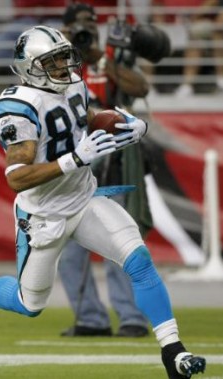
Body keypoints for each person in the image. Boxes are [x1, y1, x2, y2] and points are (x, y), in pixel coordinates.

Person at [0, 25, 206, 379]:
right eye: (53, 62)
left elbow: (85, 116)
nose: (64, 67)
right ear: (30, 67)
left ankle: (173, 352)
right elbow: (15, 177)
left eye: (65, 57)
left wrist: (128, 124)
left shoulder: (71, 85)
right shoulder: (18, 107)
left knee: (139, 260)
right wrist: (73, 159)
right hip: (44, 214)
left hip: (83, 199)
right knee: (29, 303)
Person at [57, 2, 151, 338]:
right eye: (78, 25)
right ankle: (90, 318)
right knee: (69, 247)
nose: (86, 29)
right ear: (65, 29)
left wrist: (99, 57)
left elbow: (140, 88)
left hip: (115, 159)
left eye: (90, 23)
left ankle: (132, 318)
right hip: (75, 164)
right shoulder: (55, 63)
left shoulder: (111, 55)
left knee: (119, 243)